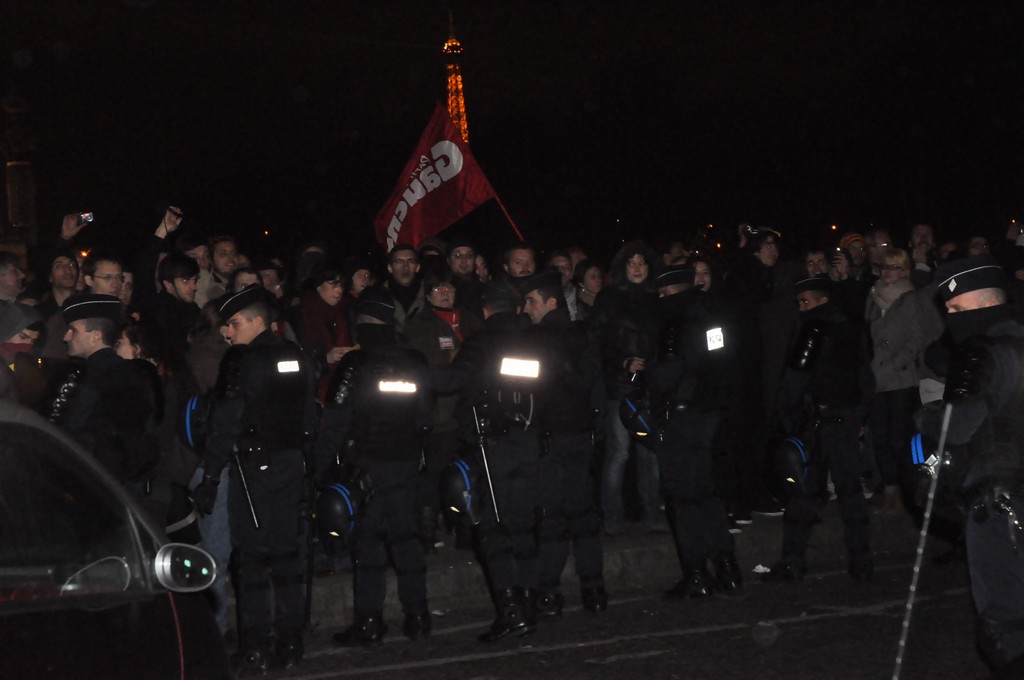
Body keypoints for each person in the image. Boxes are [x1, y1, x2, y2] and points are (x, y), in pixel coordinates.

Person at [191, 285, 317, 674]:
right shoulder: (296, 356)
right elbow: (311, 415)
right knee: (287, 556)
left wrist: (210, 476)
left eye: (234, 324)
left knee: (252, 561)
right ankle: (291, 641)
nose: (228, 333)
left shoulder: (244, 361)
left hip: (253, 471)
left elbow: (226, 422)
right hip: (292, 464)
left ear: (257, 321)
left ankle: (256, 648)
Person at [914, 254, 1024, 676]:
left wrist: (923, 418)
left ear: (979, 304)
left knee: (1006, 625)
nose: (950, 319)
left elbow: (955, 429)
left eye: (955, 310)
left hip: (1001, 507)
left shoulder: (982, 353)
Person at [315, 288, 436, 646]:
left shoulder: (356, 364)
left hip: (367, 467)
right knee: (407, 540)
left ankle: (369, 623)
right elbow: (426, 415)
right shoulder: (414, 360)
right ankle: (418, 617)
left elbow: (335, 422)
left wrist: (317, 470)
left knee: (369, 544)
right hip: (405, 462)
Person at [764, 276, 874, 582]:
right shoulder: (853, 326)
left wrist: (786, 420)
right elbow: (866, 376)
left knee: (803, 493)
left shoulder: (813, 328)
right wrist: (860, 416)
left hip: (818, 422)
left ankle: (793, 560)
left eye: (805, 301)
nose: (801, 307)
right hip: (847, 419)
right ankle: (861, 560)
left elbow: (795, 379)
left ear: (820, 300)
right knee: (851, 491)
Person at [451, 281, 544, 642]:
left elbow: (455, 379)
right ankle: (530, 603)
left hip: (495, 446)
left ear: (486, 310)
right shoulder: (533, 339)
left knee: (492, 530)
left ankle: (511, 611)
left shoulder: (483, 340)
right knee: (524, 527)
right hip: (530, 438)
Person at [650, 265, 743, 598]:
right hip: (709, 414)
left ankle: (697, 573)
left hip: (683, 417)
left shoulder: (677, 323)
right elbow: (721, 361)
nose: (661, 301)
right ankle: (728, 567)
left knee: (684, 498)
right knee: (706, 495)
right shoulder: (712, 318)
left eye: (664, 294)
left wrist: (646, 376)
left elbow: (670, 373)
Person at [519, 271, 607, 616]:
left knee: (553, 516)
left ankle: (549, 592)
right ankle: (594, 589)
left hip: (551, 437)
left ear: (550, 302)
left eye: (531, 300)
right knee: (583, 514)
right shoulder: (582, 336)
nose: (526, 307)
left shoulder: (534, 340)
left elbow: (523, 391)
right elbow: (596, 385)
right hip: (580, 434)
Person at [588, 241, 666, 534]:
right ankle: (612, 518)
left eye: (642, 263)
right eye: (631, 263)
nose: (637, 268)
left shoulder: (656, 300)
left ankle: (651, 516)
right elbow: (596, 341)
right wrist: (622, 363)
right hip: (618, 387)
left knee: (650, 454)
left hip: (650, 386)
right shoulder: (608, 298)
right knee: (619, 453)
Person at [53, 294, 161, 503]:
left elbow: (73, 428)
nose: (66, 337)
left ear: (95, 336)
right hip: (132, 478)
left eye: (73, 330)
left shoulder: (91, 377)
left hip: (97, 481)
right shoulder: (137, 373)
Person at [404, 270, 482, 552]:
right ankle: (426, 534)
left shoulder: (472, 320)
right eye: (438, 288)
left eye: (448, 285)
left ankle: (467, 532)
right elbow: (419, 368)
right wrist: (451, 363)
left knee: (470, 475)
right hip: (440, 415)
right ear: (427, 295)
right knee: (434, 474)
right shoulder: (418, 326)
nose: (445, 291)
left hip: (472, 411)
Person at [864, 247, 943, 511]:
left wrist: (895, 361)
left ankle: (905, 488)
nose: (888, 272)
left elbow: (916, 338)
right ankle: (889, 487)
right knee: (879, 436)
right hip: (876, 378)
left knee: (899, 436)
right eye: (885, 266)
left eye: (894, 267)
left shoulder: (909, 299)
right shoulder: (873, 295)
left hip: (900, 378)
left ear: (904, 271)